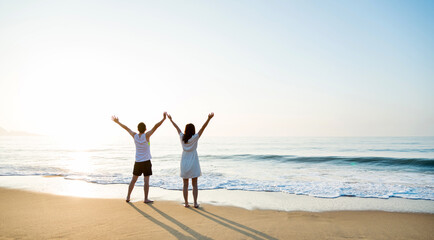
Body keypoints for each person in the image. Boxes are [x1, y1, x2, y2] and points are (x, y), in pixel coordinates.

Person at [112, 113, 166, 203]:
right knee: (146, 182)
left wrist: (118, 122)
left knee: (133, 180)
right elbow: (156, 126)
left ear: (138, 129)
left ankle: (128, 197)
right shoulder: (147, 135)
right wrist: (163, 119)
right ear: (145, 129)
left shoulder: (135, 136)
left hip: (138, 162)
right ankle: (145, 199)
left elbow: (126, 128)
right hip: (146, 162)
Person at [167, 112, 214, 208]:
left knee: (185, 184)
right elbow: (202, 128)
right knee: (195, 184)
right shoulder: (195, 137)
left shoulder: (182, 137)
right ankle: (195, 203)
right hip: (193, 162)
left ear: (186, 130)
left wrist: (171, 119)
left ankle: (187, 203)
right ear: (193, 130)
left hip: (184, 161)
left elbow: (177, 128)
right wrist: (208, 119)